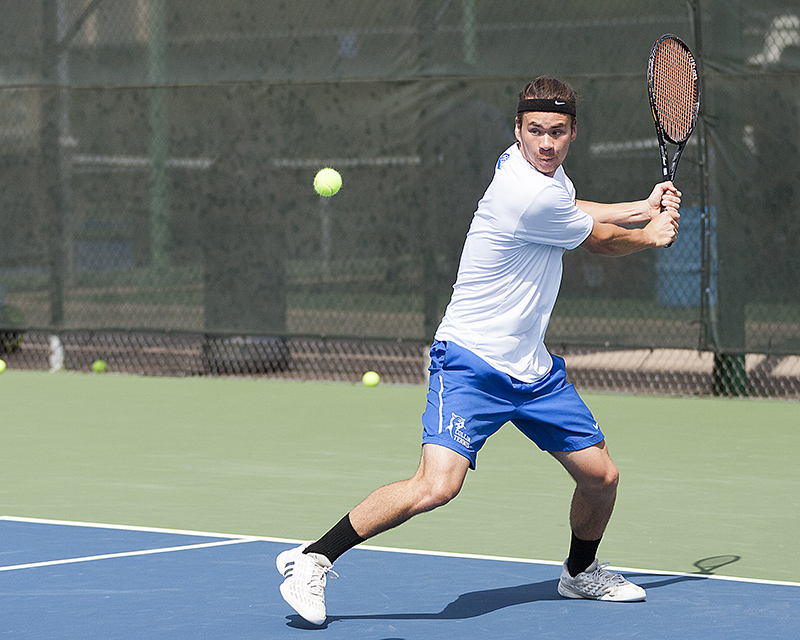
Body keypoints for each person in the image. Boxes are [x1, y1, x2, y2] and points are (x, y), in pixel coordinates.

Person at [276, 76, 681, 626]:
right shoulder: (525, 192)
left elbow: (571, 204)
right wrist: (649, 233)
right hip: (470, 360)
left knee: (600, 476)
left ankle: (579, 573)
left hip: (532, 370)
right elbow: (597, 240)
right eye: (534, 131)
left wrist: (639, 205)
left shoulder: (537, 174)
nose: (545, 143)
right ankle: (314, 558)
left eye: (556, 133)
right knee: (436, 486)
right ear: (518, 130)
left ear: (572, 133)